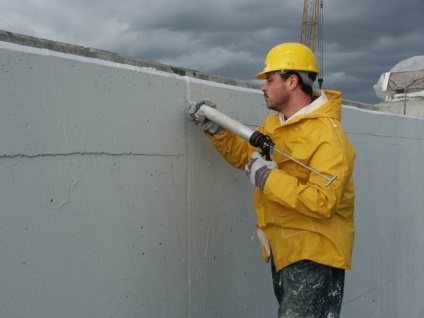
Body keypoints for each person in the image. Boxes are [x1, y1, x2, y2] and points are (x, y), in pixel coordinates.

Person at [188, 42, 355, 318]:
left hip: (314, 253)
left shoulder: (327, 133)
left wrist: (268, 178)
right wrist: (216, 130)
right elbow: (248, 157)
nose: (263, 86)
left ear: (292, 81)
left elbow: (324, 201)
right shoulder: (277, 125)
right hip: (285, 248)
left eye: (269, 79)